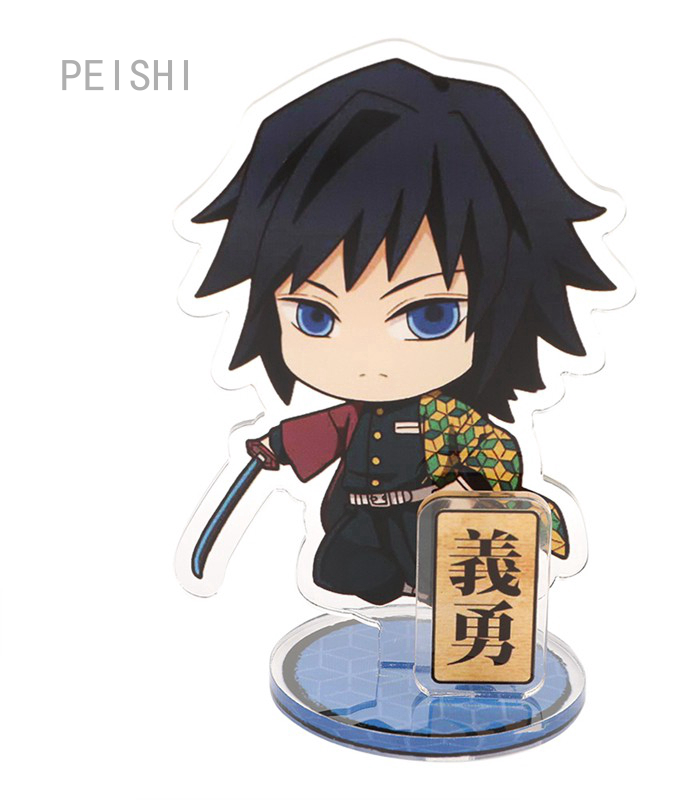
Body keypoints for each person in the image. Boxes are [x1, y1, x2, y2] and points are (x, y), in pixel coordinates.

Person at [191, 59, 614, 604]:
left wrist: (476, 489)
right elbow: (324, 430)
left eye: (428, 316)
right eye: (316, 316)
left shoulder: (449, 418)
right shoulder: (353, 415)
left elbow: (496, 450)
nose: (368, 361)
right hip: (357, 518)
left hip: (424, 517)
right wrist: (276, 445)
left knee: (435, 580)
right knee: (343, 571)